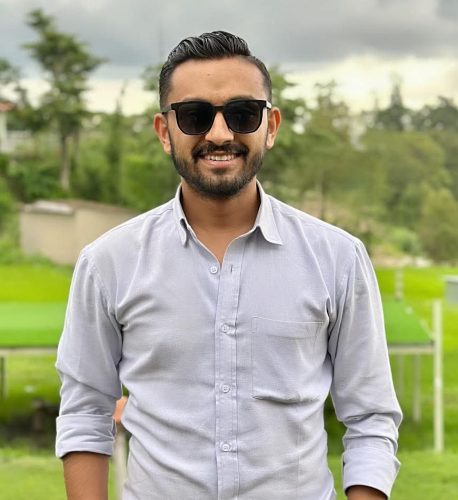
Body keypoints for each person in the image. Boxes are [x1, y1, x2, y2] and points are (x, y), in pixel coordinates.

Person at [55, 31, 402, 500]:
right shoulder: (109, 263)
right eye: (195, 116)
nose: (219, 134)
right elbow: (85, 412)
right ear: (165, 131)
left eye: (242, 114)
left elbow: (371, 417)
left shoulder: (337, 259)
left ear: (270, 126)